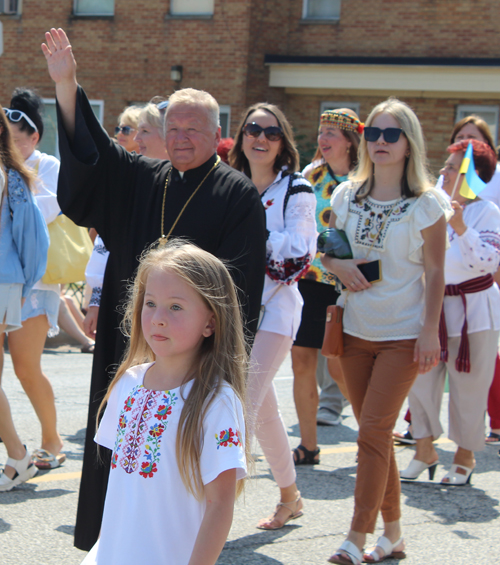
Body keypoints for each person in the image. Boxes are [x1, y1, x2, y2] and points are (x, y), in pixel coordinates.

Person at [42, 28, 266, 551]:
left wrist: (216, 361)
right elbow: (94, 154)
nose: (182, 137)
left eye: (194, 129)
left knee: (177, 482)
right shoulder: (146, 178)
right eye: (174, 128)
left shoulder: (237, 197)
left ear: (216, 134)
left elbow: (240, 296)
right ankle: (114, 542)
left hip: (193, 365)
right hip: (133, 349)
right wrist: (68, 85)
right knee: (120, 467)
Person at [321, 98, 450, 564]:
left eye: (391, 134)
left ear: (409, 142)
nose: (379, 142)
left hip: (403, 334)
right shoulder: (345, 196)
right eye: (373, 132)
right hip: (354, 330)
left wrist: (430, 332)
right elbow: (329, 251)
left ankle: (356, 536)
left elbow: (436, 274)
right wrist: (338, 265)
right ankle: (393, 536)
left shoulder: (428, 205)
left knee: (373, 430)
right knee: (374, 435)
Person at [80, 240, 248, 565]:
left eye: (175, 307)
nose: (157, 318)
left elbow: (219, 505)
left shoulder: (216, 401)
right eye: (150, 303)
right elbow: (124, 493)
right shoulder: (127, 383)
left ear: (210, 322)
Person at [229, 103, 317, 528]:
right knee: (263, 413)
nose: (260, 138)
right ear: (241, 136)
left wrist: (253, 233)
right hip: (230, 312)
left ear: (283, 143)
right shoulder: (228, 184)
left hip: (274, 311)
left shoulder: (295, 189)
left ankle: (209, 511)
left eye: (271, 132)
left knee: (239, 406)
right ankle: (290, 497)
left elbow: (300, 253)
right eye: (252, 129)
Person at [402, 139, 500, 485]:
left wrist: (461, 227)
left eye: (451, 167)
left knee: (469, 387)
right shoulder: (430, 207)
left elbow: (489, 262)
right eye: (444, 166)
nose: (442, 172)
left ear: (471, 175)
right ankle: (424, 449)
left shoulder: (486, 211)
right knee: (420, 381)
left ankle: (465, 455)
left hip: (475, 312)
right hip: (432, 308)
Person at [291, 109, 362, 463]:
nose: (324, 138)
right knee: (301, 361)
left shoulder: (367, 179)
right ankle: (308, 445)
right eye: (322, 131)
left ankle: (373, 431)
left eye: (332, 132)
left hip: (348, 284)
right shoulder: (310, 175)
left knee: (339, 365)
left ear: (350, 140)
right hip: (309, 281)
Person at [0, 88, 66, 470]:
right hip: (8, 275)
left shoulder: (47, 166)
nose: (8, 142)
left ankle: (52, 439)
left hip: (36, 281)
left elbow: (51, 209)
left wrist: (14, 193)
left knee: (26, 366)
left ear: (33, 136)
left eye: (14, 135)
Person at [0, 107, 49, 490]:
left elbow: (34, 240)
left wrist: (19, 284)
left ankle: (18, 456)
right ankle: (18, 455)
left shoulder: (13, 176)